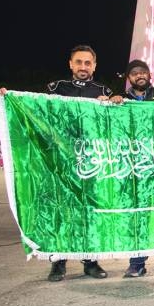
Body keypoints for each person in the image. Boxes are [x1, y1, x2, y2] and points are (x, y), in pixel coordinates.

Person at [42, 45, 121, 281]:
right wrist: (8, 97)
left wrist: (115, 102)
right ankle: (58, 262)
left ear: (94, 66)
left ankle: (91, 262)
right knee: (62, 212)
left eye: (88, 63)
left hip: (90, 162)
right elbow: (35, 112)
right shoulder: (55, 88)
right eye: (79, 62)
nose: (83, 67)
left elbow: (112, 126)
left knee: (90, 212)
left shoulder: (103, 90)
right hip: (62, 162)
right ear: (71, 64)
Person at [120, 59, 154, 278]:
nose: (140, 75)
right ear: (129, 78)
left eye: (143, 72)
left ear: (150, 75)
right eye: (135, 73)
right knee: (139, 214)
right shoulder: (122, 99)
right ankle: (137, 262)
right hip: (134, 165)